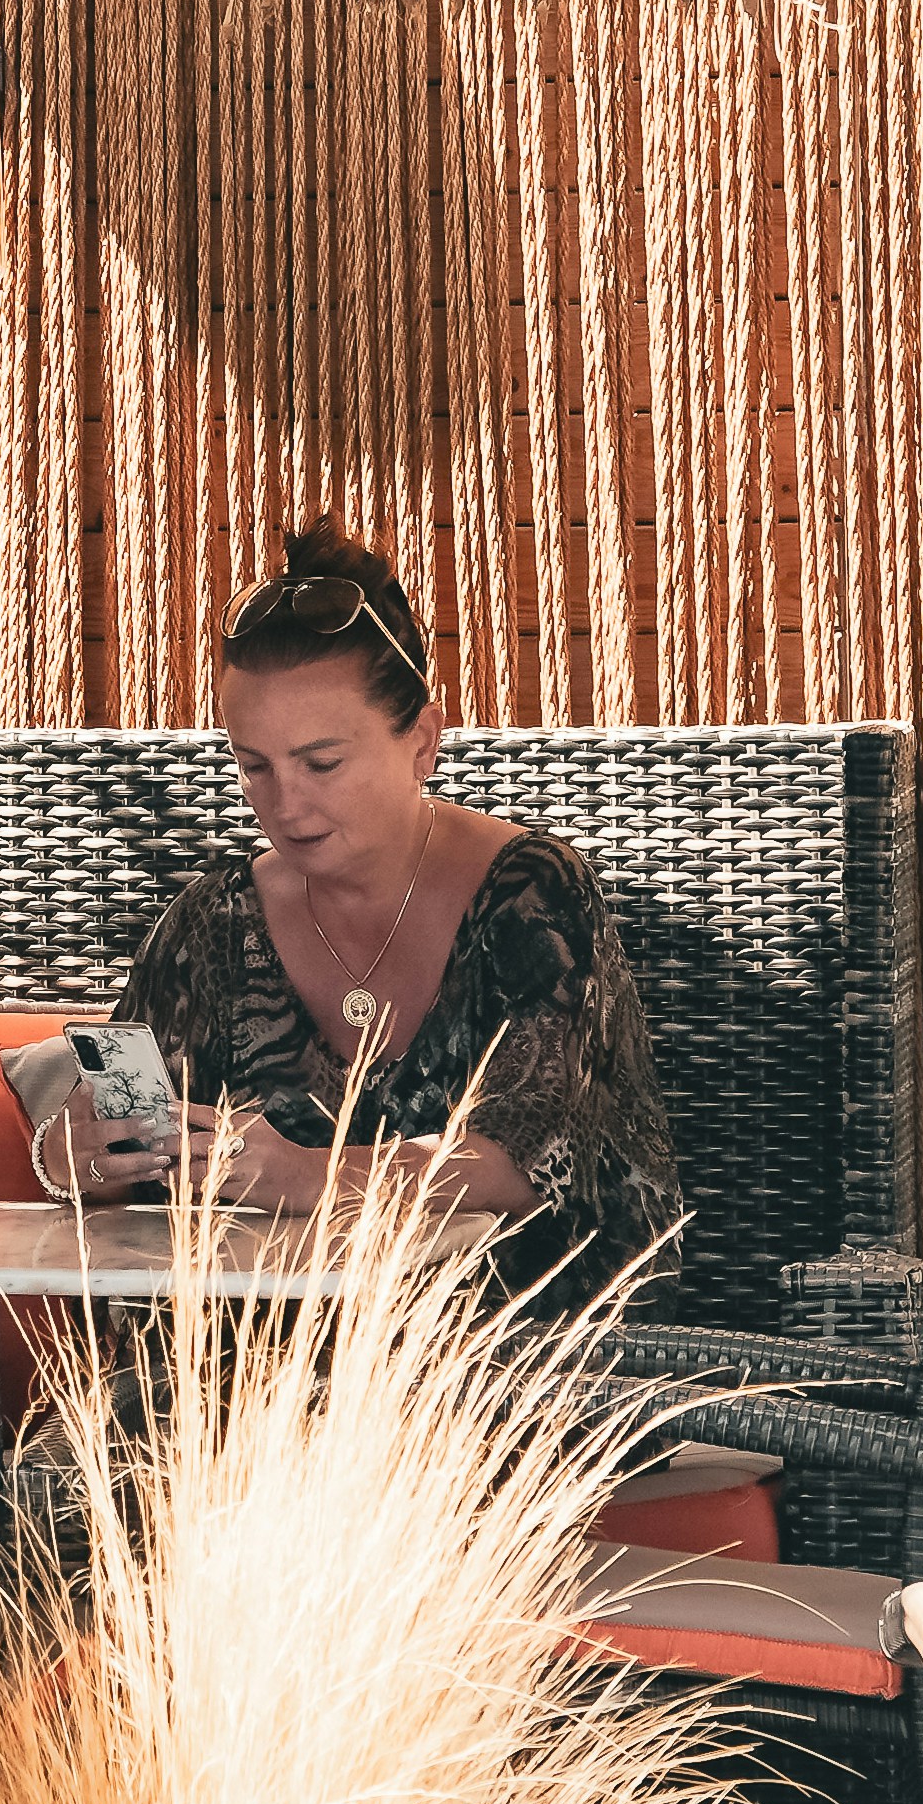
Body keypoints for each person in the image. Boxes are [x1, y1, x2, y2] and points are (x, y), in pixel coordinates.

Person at [84, 522, 687, 1300]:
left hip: (528, 1352)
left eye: (321, 762)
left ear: (422, 742)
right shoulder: (216, 918)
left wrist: (313, 1174)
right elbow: (117, 1112)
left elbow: (531, 1163)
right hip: (260, 1351)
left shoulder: (531, 895)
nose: (284, 802)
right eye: (253, 764)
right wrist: (83, 1157)